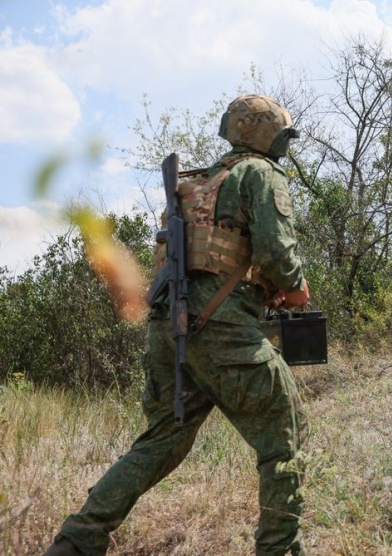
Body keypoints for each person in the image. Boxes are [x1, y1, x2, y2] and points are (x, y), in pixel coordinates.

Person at [44, 94, 311, 556]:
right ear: (268, 134)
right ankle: (280, 549)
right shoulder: (260, 173)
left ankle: (76, 541)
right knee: (285, 433)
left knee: (161, 441)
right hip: (220, 328)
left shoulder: (197, 183)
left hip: (170, 329)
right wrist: (295, 286)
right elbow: (274, 249)